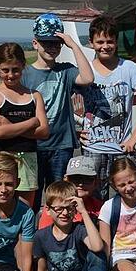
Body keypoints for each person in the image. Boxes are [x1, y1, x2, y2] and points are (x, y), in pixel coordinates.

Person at [75, 15, 136, 199]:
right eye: (100, 41)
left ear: (116, 43)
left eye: (110, 41)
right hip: (93, 148)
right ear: (91, 43)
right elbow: (68, 104)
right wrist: (76, 129)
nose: (105, 46)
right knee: (94, 200)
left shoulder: (129, 68)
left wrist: (134, 137)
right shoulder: (86, 71)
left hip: (122, 148)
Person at [22, 13, 94, 211]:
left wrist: (73, 45)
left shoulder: (66, 70)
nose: (52, 48)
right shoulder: (25, 74)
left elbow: (87, 78)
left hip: (61, 145)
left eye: (56, 44)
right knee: (32, 199)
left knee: (60, 198)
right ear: (35, 43)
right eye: (46, 43)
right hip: (33, 145)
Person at [0, 43, 49, 208]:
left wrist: (10, 126)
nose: (10, 75)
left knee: (24, 209)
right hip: (1, 158)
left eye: (15, 70)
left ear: (23, 66)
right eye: (5, 70)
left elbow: (43, 131)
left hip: (27, 158)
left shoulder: (34, 96)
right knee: (0, 207)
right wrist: (31, 122)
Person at [38, 156, 103, 229]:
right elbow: (44, 236)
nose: (80, 184)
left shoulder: (99, 207)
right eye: (75, 179)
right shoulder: (55, 206)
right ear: (66, 180)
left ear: (96, 182)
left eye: (87, 179)